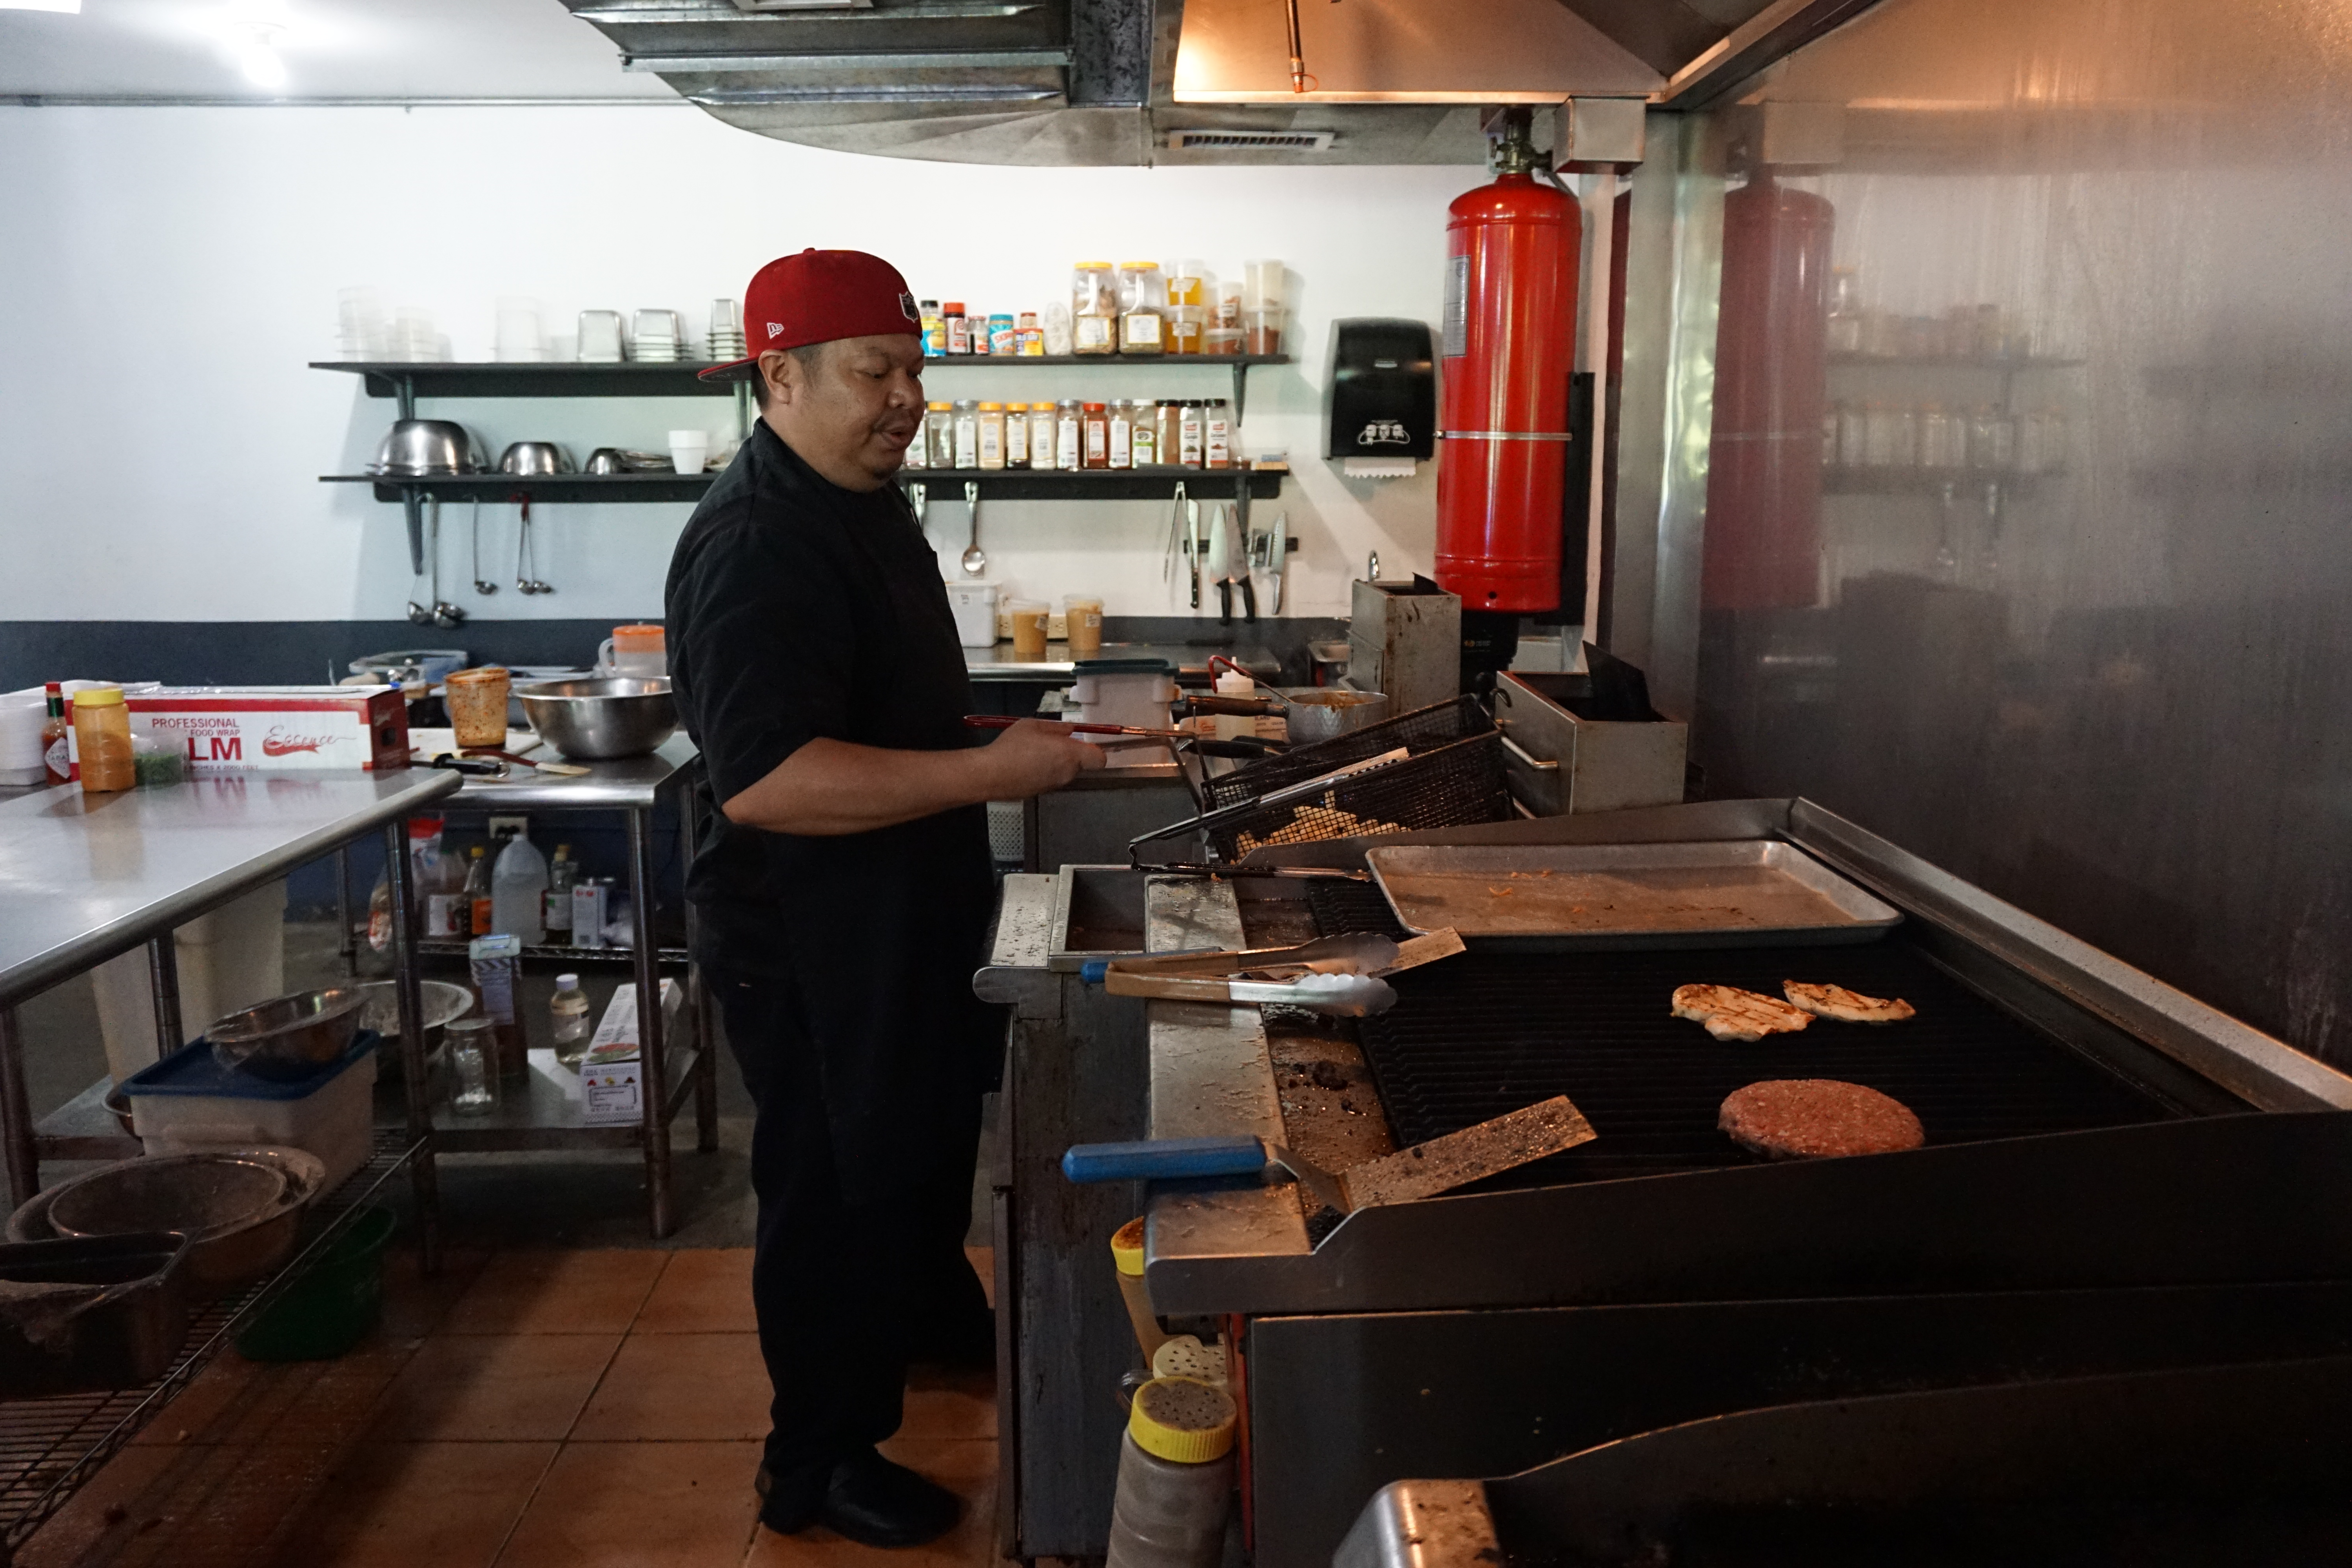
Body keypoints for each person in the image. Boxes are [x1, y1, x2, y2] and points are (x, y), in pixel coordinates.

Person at [665, 249, 1103, 1547]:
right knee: (831, 1189)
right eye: (876, 371)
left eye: (915, 368)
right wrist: (990, 768)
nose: (908, 396)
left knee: (911, 1154)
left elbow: (875, 706)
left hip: (899, 913)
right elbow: (772, 781)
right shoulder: (756, 544)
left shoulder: (863, 502)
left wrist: (1010, 730)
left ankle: (922, 1328)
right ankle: (815, 1464)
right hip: (810, 944)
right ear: (781, 373)